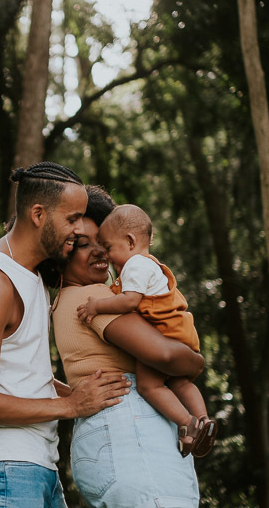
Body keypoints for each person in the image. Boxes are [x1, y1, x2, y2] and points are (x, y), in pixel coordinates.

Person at [0, 163, 133, 508]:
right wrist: (71, 405)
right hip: (3, 467)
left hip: (38, 464)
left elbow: (26, 378)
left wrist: (82, 394)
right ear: (38, 214)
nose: (79, 229)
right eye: (72, 219)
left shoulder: (31, 277)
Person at [52, 186, 205, 508]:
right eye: (84, 245)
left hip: (106, 439)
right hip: (130, 433)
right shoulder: (93, 298)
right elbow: (164, 354)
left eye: (102, 243)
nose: (101, 252)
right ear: (62, 256)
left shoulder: (64, 302)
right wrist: (195, 362)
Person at [76, 204, 217, 458]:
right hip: (180, 332)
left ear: (130, 241)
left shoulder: (135, 265)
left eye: (108, 247)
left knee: (149, 387)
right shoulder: (148, 265)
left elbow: (129, 302)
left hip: (164, 333)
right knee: (180, 382)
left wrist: (97, 306)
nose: (106, 255)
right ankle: (204, 421)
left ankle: (187, 423)